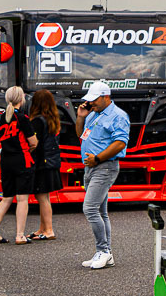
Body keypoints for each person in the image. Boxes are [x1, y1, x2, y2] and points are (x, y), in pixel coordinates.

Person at [74, 80, 129, 269]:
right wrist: (80, 117)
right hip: (91, 167)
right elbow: (81, 135)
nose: (91, 103)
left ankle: (103, 251)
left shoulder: (118, 116)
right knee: (101, 212)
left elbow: (120, 143)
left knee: (90, 208)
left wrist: (97, 158)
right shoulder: (92, 114)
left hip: (104, 167)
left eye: (94, 99)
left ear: (106, 97)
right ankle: (106, 253)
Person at [0, 87, 38, 244]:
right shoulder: (22, 118)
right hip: (22, 160)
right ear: (22, 99)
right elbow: (33, 142)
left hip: (6, 160)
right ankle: (20, 235)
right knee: (22, 199)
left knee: (6, 198)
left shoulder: (2, 118)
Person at [26, 89, 63, 241]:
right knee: (44, 196)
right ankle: (42, 228)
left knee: (42, 196)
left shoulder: (37, 121)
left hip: (41, 162)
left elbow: (34, 143)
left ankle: (48, 230)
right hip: (51, 161)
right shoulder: (52, 120)